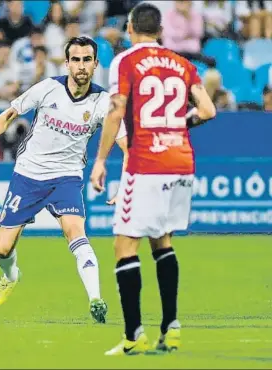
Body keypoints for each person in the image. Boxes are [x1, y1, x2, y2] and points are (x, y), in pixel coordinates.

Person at [0, 36, 128, 324]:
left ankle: (96, 299)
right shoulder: (49, 88)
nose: (81, 66)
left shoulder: (102, 102)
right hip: (28, 174)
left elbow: (128, 147)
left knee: (76, 233)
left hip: (67, 178)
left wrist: (126, 184)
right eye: (75, 59)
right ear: (67, 63)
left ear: (95, 64)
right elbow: (9, 114)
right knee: (2, 249)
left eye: (87, 60)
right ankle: (11, 275)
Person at [90, 3, 216, 355]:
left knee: (124, 246)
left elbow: (116, 110)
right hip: (181, 160)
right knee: (163, 242)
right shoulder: (183, 64)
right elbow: (208, 110)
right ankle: (171, 328)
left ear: (130, 28)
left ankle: (133, 336)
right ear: (161, 31)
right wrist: (178, 125)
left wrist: (100, 160)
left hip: (146, 162)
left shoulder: (125, 61)